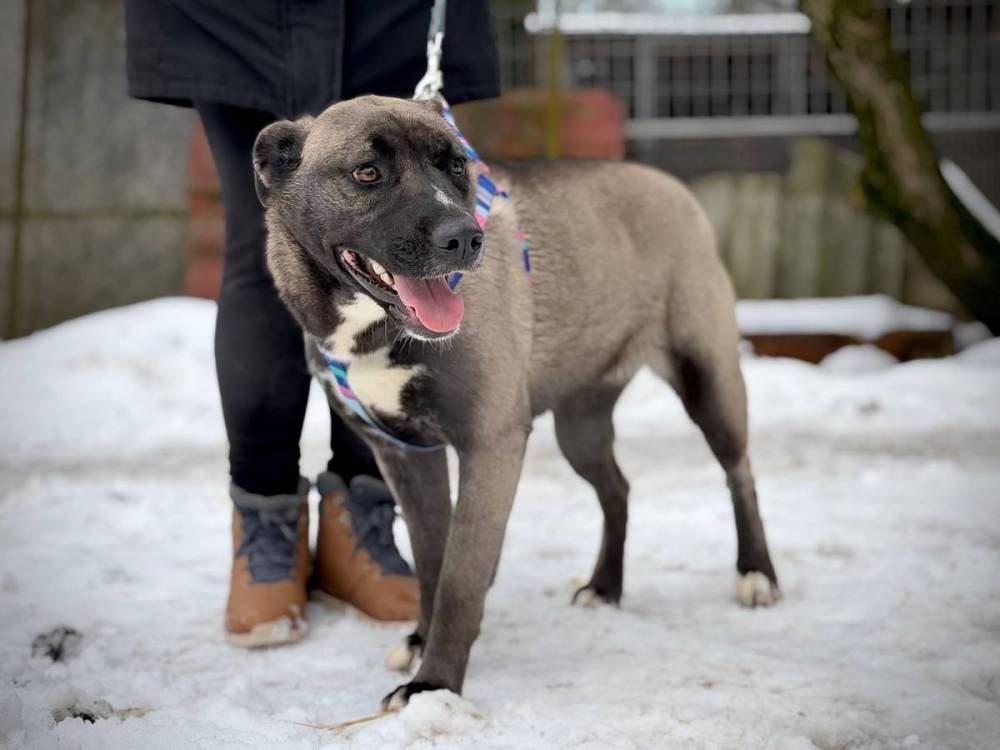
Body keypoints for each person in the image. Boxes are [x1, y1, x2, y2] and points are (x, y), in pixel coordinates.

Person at [124, 1, 499, 647]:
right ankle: (264, 520)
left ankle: (363, 517)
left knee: (411, 234)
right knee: (262, 240)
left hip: (396, 10)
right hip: (234, 15)